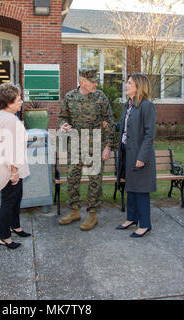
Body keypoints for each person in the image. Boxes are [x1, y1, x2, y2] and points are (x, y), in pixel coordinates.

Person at [57, 68, 115, 231]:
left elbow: (109, 121)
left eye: (96, 81)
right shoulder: (69, 97)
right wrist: (64, 126)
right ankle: (74, 211)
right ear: (82, 82)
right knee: (72, 178)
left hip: (95, 144)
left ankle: (92, 213)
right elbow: (62, 117)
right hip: (75, 144)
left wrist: (108, 146)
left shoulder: (100, 97)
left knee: (95, 180)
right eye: (92, 81)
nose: (96, 84)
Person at [115, 73, 156, 237]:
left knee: (140, 189)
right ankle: (131, 218)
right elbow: (126, 126)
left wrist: (142, 157)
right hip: (126, 151)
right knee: (130, 186)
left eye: (129, 83)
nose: (126, 85)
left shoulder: (147, 105)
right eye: (127, 82)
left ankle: (145, 224)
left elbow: (149, 134)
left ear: (138, 87)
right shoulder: (128, 105)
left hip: (139, 153)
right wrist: (112, 125)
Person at [0, 83, 30, 250]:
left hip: (12, 168)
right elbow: (6, 149)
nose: (21, 102)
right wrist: (13, 172)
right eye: (18, 99)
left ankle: (15, 226)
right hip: (10, 170)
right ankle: (3, 237)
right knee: (8, 202)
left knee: (16, 199)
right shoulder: (9, 120)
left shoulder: (3, 116)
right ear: (9, 102)